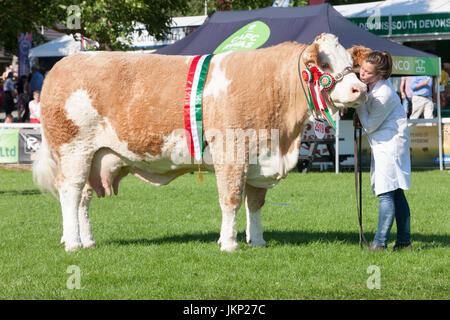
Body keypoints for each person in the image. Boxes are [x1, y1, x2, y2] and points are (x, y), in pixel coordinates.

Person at [355, 51, 412, 252]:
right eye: (362, 69)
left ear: (380, 75)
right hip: (385, 144)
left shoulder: (384, 94)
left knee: (386, 193)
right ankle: (405, 243)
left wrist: (358, 103)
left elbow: (369, 125)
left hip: (390, 145)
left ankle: (379, 243)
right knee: (396, 194)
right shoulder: (372, 87)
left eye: (368, 73)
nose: (362, 74)